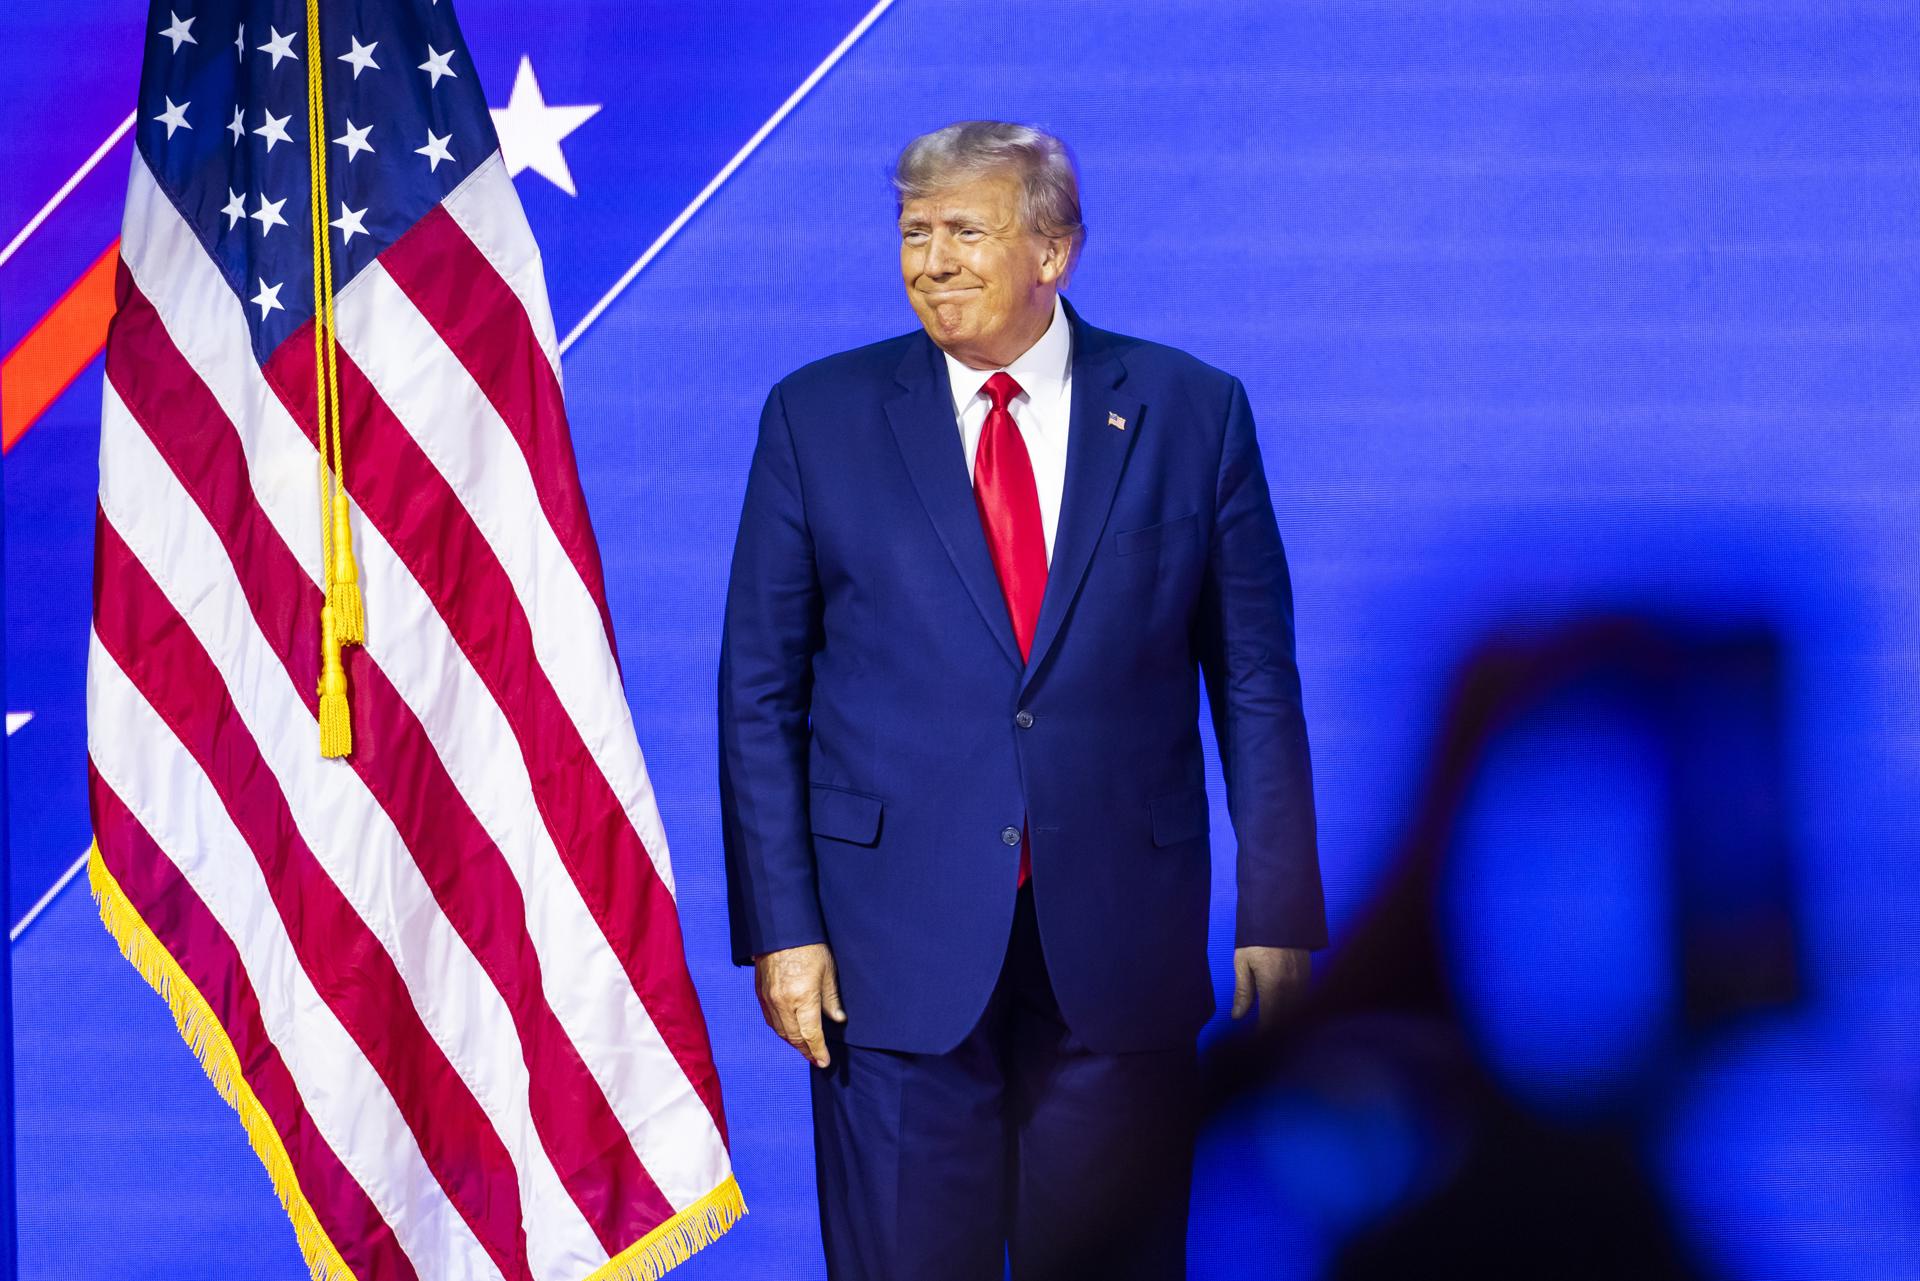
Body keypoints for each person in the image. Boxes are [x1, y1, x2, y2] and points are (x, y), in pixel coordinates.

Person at [719, 119, 1327, 1280]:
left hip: (1120, 945)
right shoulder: (816, 418)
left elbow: (1254, 676)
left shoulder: (1192, 410)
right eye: (914, 234)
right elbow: (759, 690)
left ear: (1055, 252)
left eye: (964, 232)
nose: (932, 262)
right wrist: (782, 930)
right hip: (887, 954)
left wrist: (1278, 906)